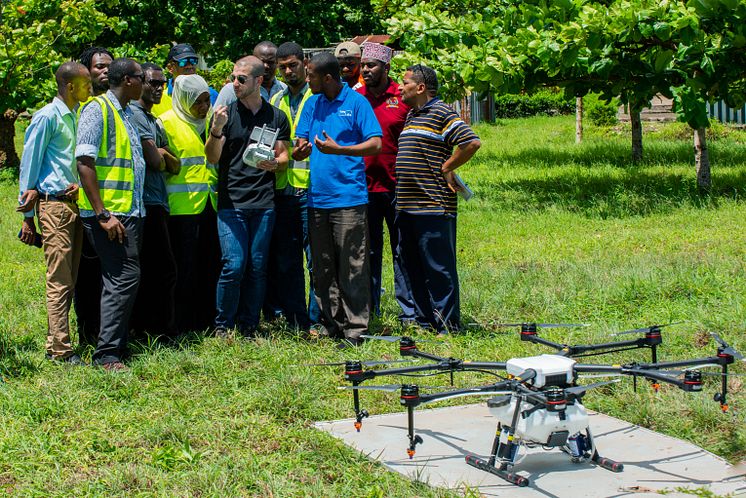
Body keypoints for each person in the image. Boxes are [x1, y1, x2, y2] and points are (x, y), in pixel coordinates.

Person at [293, 52, 382, 347]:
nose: (308, 80)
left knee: (352, 265)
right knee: (322, 267)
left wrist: (339, 149)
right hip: (317, 199)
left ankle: (356, 329)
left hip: (349, 199)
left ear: (327, 78)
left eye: (312, 76)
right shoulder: (312, 103)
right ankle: (331, 325)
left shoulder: (356, 103)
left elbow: (375, 144)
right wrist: (300, 151)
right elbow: (301, 142)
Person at [206, 56, 290, 337]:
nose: (235, 83)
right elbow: (212, 157)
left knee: (256, 267)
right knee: (233, 265)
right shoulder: (225, 113)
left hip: (264, 203)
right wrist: (216, 129)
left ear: (259, 81)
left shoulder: (276, 116)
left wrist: (276, 164)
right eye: (233, 78)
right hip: (232, 203)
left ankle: (249, 325)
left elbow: (284, 156)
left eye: (241, 79)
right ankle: (223, 326)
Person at [395, 65, 481, 335]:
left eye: (405, 82)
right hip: (406, 207)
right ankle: (424, 321)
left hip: (432, 206)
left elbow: (471, 142)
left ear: (420, 88)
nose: (400, 87)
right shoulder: (412, 115)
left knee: (438, 269)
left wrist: (447, 167)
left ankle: (447, 326)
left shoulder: (442, 112)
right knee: (413, 267)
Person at [17, 62, 91, 365]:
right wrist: (27, 216)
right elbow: (30, 163)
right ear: (70, 86)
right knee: (59, 279)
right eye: (86, 83)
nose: (91, 88)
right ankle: (61, 349)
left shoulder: (75, 116)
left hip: (72, 202)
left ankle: (55, 342)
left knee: (70, 278)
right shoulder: (47, 117)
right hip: (53, 206)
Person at [76, 58, 147, 371]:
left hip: (129, 210)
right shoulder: (97, 109)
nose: (145, 83)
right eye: (141, 77)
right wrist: (102, 213)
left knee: (122, 278)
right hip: (110, 213)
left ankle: (115, 345)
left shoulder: (127, 112)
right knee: (123, 277)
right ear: (128, 80)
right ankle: (107, 355)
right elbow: (84, 163)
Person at [357, 42, 415, 321]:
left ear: (386, 67)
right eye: (364, 65)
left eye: (371, 65)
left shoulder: (402, 97)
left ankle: (409, 311)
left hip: (397, 187)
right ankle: (371, 309)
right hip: (364, 188)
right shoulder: (356, 98)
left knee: (402, 250)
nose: (365, 70)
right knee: (368, 252)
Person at [159, 74, 221, 333]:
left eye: (207, 100)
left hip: (209, 205)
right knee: (184, 270)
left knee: (210, 265)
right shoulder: (166, 123)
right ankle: (181, 323)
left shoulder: (211, 122)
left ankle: (206, 320)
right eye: (198, 102)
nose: (204, 107)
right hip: (181, 209)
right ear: (184, 100)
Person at [264, 42, 317, 331]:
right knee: (288, 260)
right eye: (283, 66)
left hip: (311, 188)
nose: (287, 71)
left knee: (315, 260)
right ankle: (298, 320)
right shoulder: (276, 101)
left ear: (305, 63)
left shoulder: (317, 97)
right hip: (283, 190)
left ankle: (316, 318)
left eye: (292, 65)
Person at [128, 63, 180, 339]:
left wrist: (163, 154)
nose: (159, 88)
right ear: (139, 83)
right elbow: (155, 161)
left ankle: (154, 328)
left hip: (159, 201)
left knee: (161, 269)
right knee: (160, 270)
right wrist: (161, 155)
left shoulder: (152, 118)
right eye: (153, 83)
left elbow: (174, 163)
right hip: (145, 202)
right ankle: (155, 330)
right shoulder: (135, 116)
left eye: (163, 83)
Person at [75, 46, 113, 349]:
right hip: (86, 207)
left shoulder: (117, 106)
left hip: (115, 204)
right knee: (87, 277)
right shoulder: (83, 106)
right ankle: (88, 334)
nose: (105, 71)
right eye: (99, 66)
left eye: (108, 66)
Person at [151, 43, 219, 116]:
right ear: (170, 68)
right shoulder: (158, 97)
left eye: (193, 61)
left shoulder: (210, 94)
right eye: (183, 62)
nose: (189, 66)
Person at [214, 41, 287, 107]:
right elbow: (215, 120)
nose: (265, 66)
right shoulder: (232, 90)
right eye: (261, 62)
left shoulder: (284, 90)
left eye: (270, 62)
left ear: (277, 63)